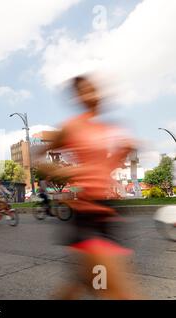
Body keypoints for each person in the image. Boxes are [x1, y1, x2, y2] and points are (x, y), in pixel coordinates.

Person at [40, 75, 141, 299]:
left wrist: (122, 153)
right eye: (84, 91)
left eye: (93, 89)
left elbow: (106, 168)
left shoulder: (106, 129)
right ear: (77, 97)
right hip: (86, 211)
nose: (92, 95)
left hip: (108, 209)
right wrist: (61, 171)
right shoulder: (71, 127)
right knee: (115, 289)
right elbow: (39, 157)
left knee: (89, 281)